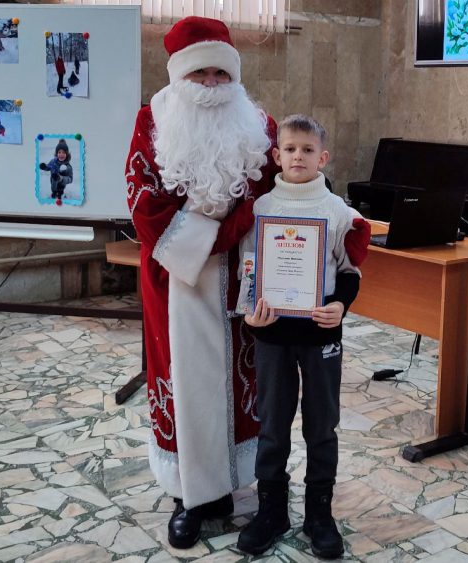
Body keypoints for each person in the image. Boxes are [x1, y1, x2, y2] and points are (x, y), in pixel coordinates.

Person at [124, 16, 279, 549]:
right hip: (177, 279)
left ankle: (239, 485)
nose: (212, 84)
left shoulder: (260, 125)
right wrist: (225, 229)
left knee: (242, 383)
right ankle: (188, 496)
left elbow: (275, 192)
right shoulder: (151, 121)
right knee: (184, 385)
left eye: (221, 73)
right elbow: (144, 207)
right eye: (200, 73)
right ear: (178, 75)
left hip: (244, 277)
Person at [235, 114, 371, 559]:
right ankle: (272, 511)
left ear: (323, 157)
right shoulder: (261, 209)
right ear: (277, 155)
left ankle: (319, 514)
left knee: (321, 425)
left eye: (308, 150)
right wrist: (250, 314)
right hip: (272, 334)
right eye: (290, 149)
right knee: (272, 424)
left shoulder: (337, 211)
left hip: (320, 335)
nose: (298, 156)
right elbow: (248, 269)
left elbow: (349, 272)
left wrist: (340, 306)